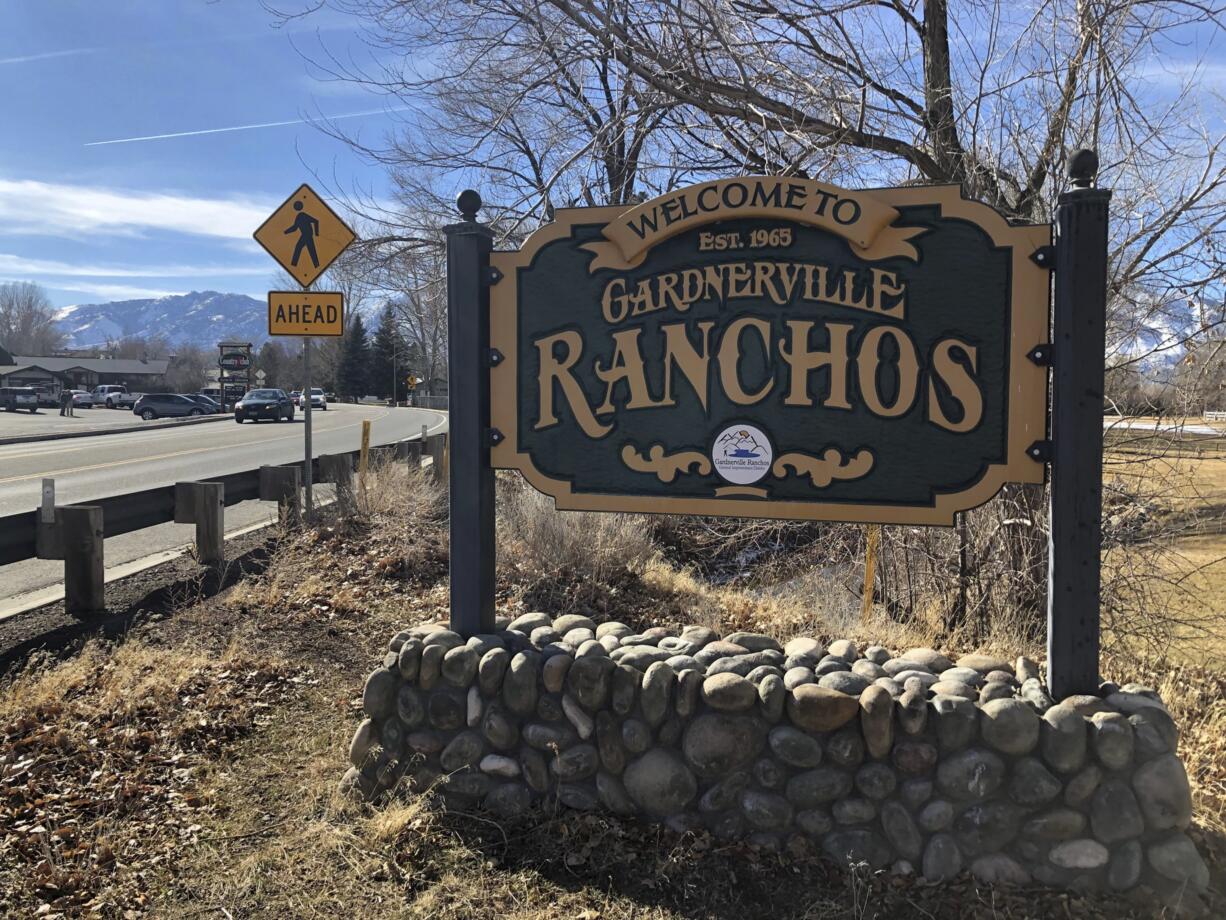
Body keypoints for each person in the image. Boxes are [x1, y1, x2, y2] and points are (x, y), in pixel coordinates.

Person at [285, 200, 320, 269]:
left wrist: (316, 233)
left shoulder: (303, 215)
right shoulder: (298, 216)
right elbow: (295, 227)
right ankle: (316, 266)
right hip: (305, 235)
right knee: (310, 250)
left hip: (308, 235)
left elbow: (316, 221)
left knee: (300, 248)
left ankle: (294, 265)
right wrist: (285, 232)